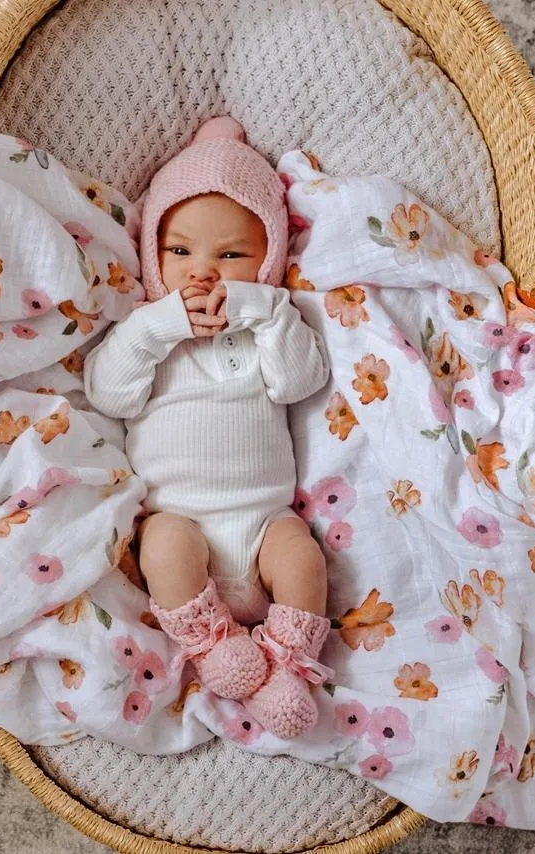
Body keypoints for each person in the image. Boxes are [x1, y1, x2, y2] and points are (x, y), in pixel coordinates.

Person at [84, 117, 334, 739]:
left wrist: (263, 311)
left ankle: (285, 664)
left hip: (264, 524)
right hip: (183, 524)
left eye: (230, 256)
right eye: (180, 251)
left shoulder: (268, 325)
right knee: (163, 542)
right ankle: (214, 649)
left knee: (304, 558)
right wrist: (156, 326)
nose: (204, 273)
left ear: (268, 261)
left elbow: (301, 382)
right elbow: (109, 394)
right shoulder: (147, 335)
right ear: (153, 256)